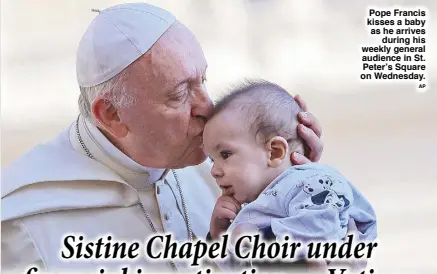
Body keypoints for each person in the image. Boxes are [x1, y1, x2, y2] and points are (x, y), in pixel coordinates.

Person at [1, 3, 324, 273]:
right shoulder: (20, 223)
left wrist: (293, 193)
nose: (207, 107)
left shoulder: (235, 165)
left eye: (203, 80)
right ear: (112, 115)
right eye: (180, 94)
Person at [204, 80, 377, 271]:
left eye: (225, 155)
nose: (214, 171)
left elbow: (317, 238)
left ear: (275, 152)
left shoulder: (310, 184)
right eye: (212, 160)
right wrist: (219, 235)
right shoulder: (269, 201)